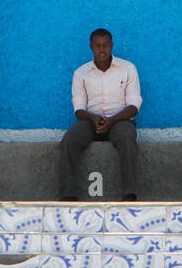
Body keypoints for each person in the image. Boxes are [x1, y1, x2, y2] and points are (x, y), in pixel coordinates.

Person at [59, 28, 140, 201]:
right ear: (91, 47)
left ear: (112, 46)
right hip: (90, 121)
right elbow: (79, 109)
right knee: (69, 140)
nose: (102, 49)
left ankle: (130, 194)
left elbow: (134, 106)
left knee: (127, 137)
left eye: (105, 45)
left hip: (120, 120)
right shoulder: (81, 73)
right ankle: (67, 196)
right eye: (97, 46)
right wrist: (94, 118)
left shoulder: (127, 69)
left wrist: (111, 121)